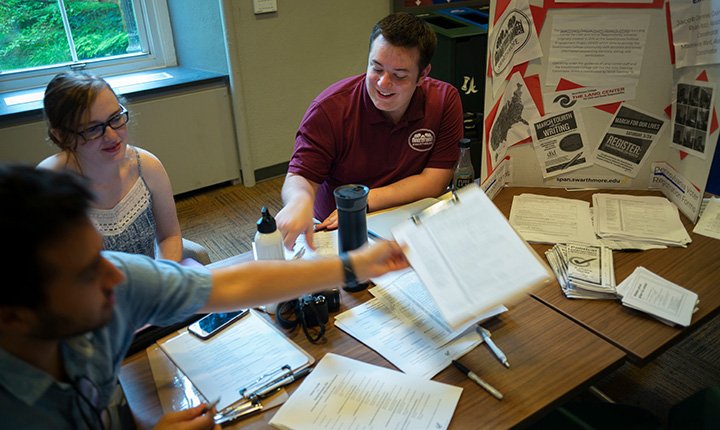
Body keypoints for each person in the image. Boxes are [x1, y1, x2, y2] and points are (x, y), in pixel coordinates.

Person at [0, 165, 408, 429]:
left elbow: (232, 284)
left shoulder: (111, 281)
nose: (115, 274)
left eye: (101, 254)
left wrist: (354, 265)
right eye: (88, 272)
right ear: (15, 317)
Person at [276, 12, 463, 250]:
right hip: (340, 225)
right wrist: (299, 201)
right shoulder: (330, 109)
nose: (383, 83)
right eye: (376, 69)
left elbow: (435, 180)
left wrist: (364, 200)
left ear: (423, 75)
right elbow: (299, 177)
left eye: (399, 75)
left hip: (409, 217)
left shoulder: (444, 100)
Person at [38, 71, 194, 262]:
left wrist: (161, 280)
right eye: (93, 128)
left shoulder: (147, 167)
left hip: (147, 285)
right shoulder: (47, 186)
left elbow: (169, 236)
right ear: (61, 136)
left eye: (115, 119)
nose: (112, 136)